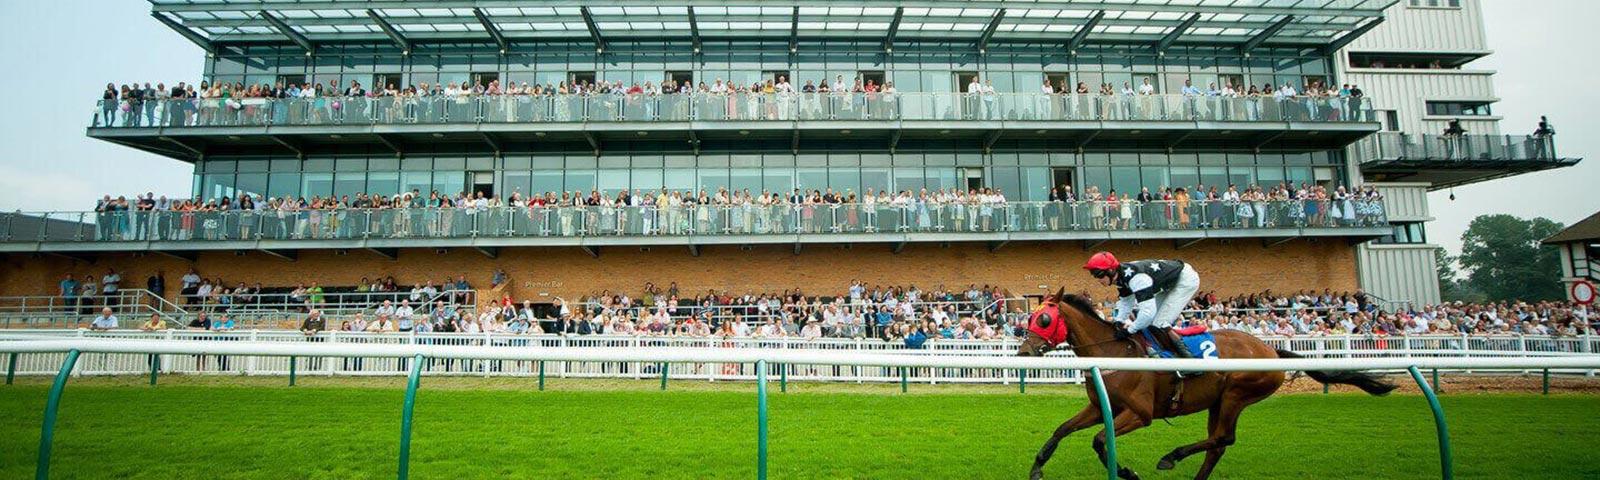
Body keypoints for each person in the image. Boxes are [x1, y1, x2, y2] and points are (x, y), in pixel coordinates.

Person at [1082, 251, 1201, 359]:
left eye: (1099, 275)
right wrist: (1118, 321)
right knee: (1150, 323)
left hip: (1185, 279)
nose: (1098, 279)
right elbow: (1126, 302)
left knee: (1160, 323)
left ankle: (1189, 361)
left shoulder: (1137, 278)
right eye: (1095, 275)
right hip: (1168, 282)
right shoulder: (1121, 277)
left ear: (1111, 270)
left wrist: (1129, 330)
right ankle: (1163, 353)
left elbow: (1147, 314)